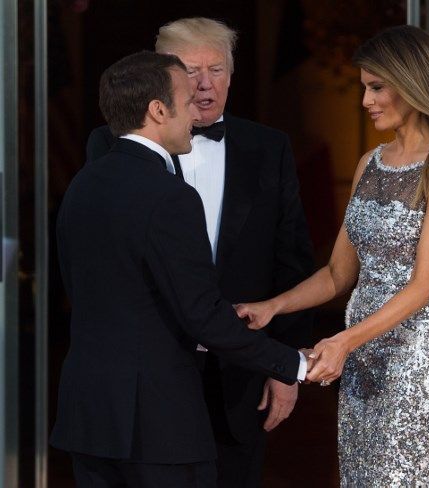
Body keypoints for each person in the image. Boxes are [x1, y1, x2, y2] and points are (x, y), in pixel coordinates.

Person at [236, 25, 429, 485]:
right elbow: (336, 275)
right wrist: (273, 306)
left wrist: (343, 342)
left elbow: (424, 284)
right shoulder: (369, 163)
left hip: (420, 359)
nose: (366, 101)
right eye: (364, 88)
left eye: (376, 87)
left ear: (412, 83)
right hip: (362, 358)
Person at [51, 51, 312, 488]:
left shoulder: (83, 183)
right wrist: (294, 363)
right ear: (158, 110)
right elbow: (200, 314)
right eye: (188, 100)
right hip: (158, 427)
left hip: (91, 417)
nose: (198, 110)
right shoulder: (171, 195)